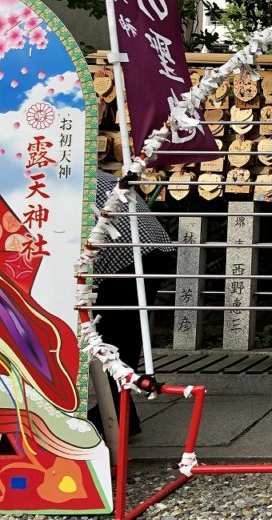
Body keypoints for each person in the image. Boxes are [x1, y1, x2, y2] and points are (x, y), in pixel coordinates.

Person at [87, 171, 172, 436]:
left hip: (127, 254)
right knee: (125, 332)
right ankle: (119, 412)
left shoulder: (49, 180)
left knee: (110, 335)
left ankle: (117, 415)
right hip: (149, 247)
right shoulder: (86, 169)